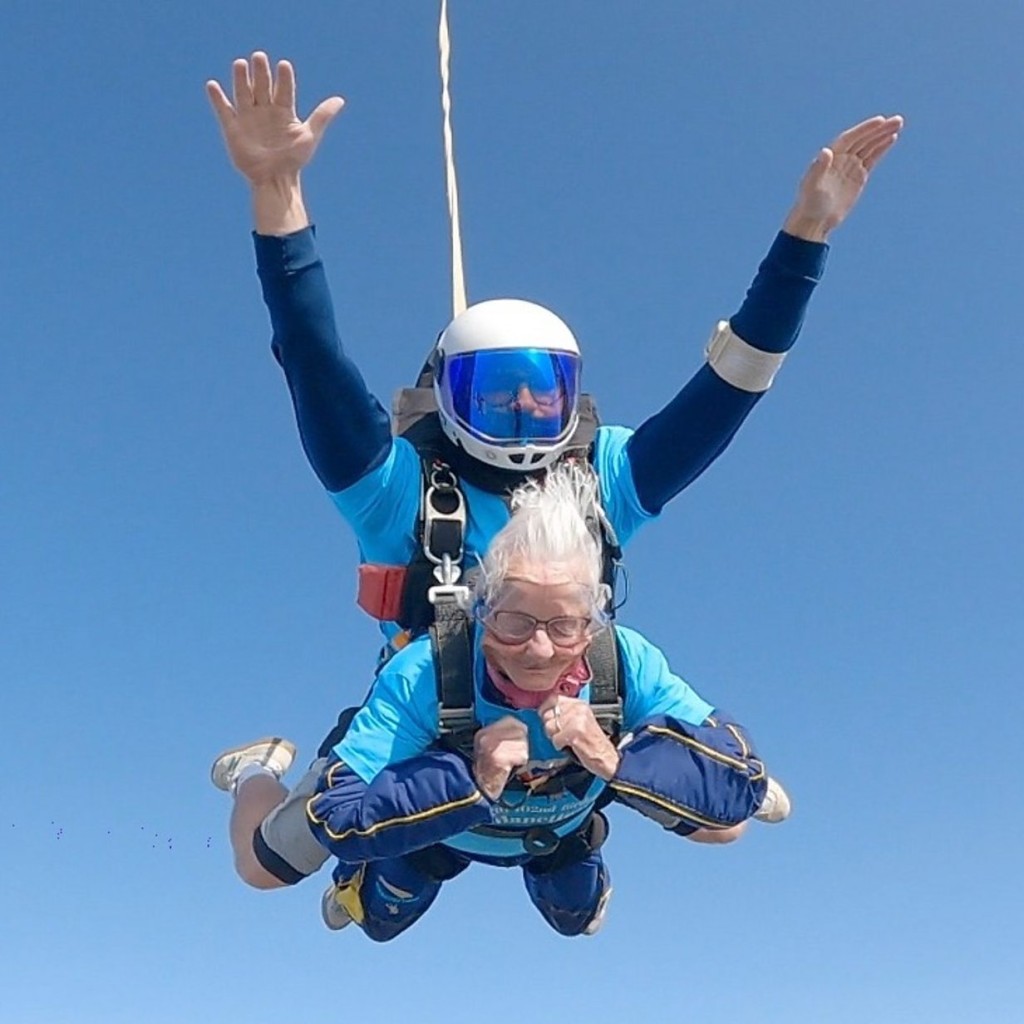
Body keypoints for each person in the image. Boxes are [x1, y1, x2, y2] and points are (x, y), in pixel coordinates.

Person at [205, 52, 901, 895]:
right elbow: (313, 364)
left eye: (546, 398)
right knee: (266, 867)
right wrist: (276, 197)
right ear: (444, 392)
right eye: (496, 396)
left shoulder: (604, 477)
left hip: (578, 716)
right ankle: (257, 769)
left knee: (691, 842)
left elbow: (734, 385)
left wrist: (806, 237)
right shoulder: (400, 491)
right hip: (433, 722)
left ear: (575, 400)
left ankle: (640, 798)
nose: (526, 416)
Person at [303, 462, 776, 939]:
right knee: (380, 921)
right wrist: (471, 777)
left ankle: (596, 844)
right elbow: (335, 812)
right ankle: (271, 793)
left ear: (594, 624)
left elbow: (743, 780)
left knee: (576, 914)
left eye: (565, 626)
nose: (539, 650)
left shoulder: (623, 661)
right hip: (442, 829)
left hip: (557, 832)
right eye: (514, 621)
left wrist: (615, 762)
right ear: (481, 610)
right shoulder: (427, 670)